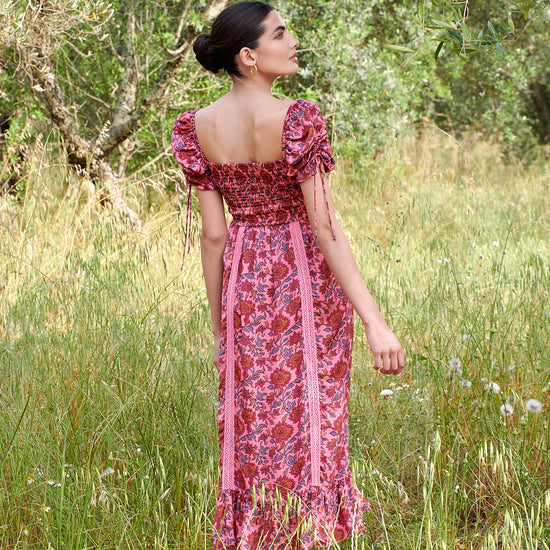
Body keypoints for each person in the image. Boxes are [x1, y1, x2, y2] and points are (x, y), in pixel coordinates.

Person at [171, 2, 405, 548]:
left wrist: (218, 328)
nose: (293, 41)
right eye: (281, 33)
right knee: (310, 407)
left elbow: (213, 236)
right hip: (302, 278)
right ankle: (309, 533)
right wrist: (375, 321)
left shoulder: (196, 126)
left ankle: (257, 532)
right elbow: (324, 228)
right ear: (249, 56)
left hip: (244, 280)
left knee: (253, 414)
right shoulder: (298, 120)